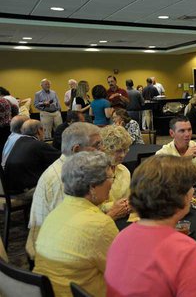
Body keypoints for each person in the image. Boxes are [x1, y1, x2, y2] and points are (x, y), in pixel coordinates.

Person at [105, 155, 196, 296]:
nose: (193, 191)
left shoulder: (120, 237)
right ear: (179, 197)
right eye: (190, 187)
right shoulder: (186, 250)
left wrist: (192, 267)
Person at [26, 122, 126, 259]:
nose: (103, 149)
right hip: (52, 256)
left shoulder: (71, 169)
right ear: (77, 149)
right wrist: (112, 215)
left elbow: (83, 210)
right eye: (97, 145)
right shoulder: (63, 177)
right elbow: (71, 233)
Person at [34, 151, 118, 297]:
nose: (112, 183)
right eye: (110, 177)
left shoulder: (55, 213)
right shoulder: (100, 224)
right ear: (92, 187)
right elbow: (120, 273)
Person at [156, 116, 196, 184]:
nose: (187, 134)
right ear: (172, 133)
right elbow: (165, 183)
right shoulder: (163, 154)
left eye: (189, 130)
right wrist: (185, 159)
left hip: (195, 191)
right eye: (182, 131)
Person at [4, 119, 60, 194]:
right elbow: (62, 159)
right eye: (43, 130)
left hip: (10, 190)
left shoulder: (18, 142)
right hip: (26, 191)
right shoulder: (39, 145)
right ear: (39, 131)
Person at [99, 125, 133, 218]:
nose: (122, 155)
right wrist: (116, 206)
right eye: (118, 151)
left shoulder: (124, 171)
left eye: (125, 150)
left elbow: (128, 200)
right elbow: (91, 208)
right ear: (104, 149)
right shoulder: (94, 173)